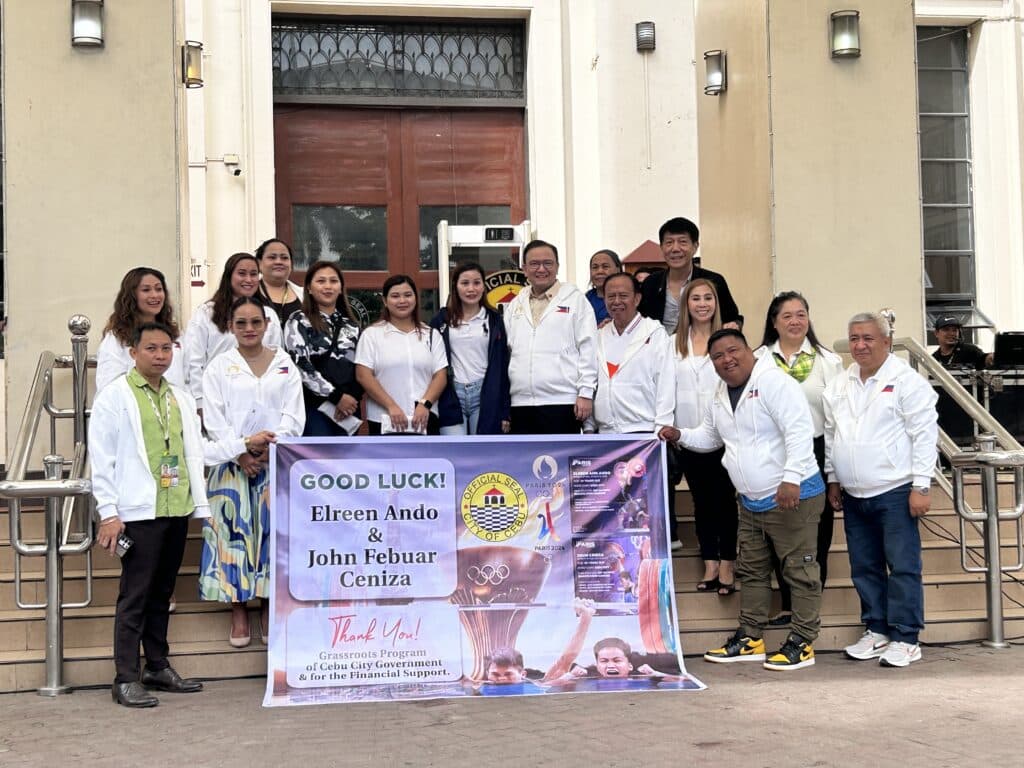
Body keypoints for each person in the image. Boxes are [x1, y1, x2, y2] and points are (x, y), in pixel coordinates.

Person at [678, 329, 825, 671]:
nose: (727, 360)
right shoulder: (720, 392)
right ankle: (750, 638)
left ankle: (802, 642)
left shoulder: (774, 382)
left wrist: (791, 479)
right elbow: (709, 437)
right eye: (717, 356)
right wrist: (679, 434)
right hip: (750, 500)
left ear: (749, 350)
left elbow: (799, 431)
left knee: (800, 572)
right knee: (753, 571)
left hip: (790, 495)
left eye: (733, 351)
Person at [89, 322, 208, 707]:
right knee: (135, 595)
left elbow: (195, 451)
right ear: (133, 353)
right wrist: (109, 513)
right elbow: (102, 459)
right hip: (138, 511)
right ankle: (125, 676)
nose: (160, 356)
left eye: (166, 349)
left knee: (162, 592)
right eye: (151, 349)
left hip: (175, 506)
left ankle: (156, 665)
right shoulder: (115, 396)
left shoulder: (180, 397)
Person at [824, 312, 938, 668]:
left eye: (868, 338)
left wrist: (922, 484)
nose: (860, 345)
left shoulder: (907, 381)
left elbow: (924, 435)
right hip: (855, 494)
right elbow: (832, 435)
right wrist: (833, 476)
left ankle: (906, 637)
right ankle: (877, 630)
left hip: (895, 490)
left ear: (887, 341)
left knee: (902, 567)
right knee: (864, 567)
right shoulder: (839, 385)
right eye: (854, 338)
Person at [199, 297, 304, 647]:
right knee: (233, 539)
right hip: (231, 467)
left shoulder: (285, 364)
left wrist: (269, 448)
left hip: (275, 463)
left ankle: (268, 605)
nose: (248, 329)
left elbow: (293, 415)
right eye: (241, 323)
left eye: (255, 322)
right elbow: (213, 420)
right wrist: (241, 449)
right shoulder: (218, 367)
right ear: (231, 326)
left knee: (272, 536)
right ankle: (239, 608)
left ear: (267, 324)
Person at [756, 291, 843, 627]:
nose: (795, 321)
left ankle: (811, 602)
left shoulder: (827, 361)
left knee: (815, 530)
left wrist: (833, 473)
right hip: (773, 454)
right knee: (780, 528)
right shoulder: (761, 359)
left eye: (801, 314)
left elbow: (836, 420)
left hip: (816, 450)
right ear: (774, 322)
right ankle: (789, 602)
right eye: (787, 315)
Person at [584, 272, 676, 546]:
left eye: (624, 295)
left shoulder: (655, 334)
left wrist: (661, 428)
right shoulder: (599, 335)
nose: (617, 301)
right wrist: (589, 428)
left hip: (644, 434)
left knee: (646, 508)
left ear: (637, 298)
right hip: (607, 434)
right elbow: (590, 379)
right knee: (614, 509)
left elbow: (666, 382)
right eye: (611, 296)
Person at [659, 279, 738, 590]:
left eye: (708, 298)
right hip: (688, 435)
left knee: (725, 502)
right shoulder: (672, 343)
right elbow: (666, 388)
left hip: (724, 436)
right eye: (696, 299)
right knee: (701, 502)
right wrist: (667, 427)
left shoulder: (728, 340)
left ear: (716, 303)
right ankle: (710, 563)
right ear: (685, 305)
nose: (702, 304)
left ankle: (729, 564)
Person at [505, 239, 598, 434]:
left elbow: (589, 348)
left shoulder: (575, 300)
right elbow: (508, 351)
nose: (541, 269)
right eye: (534, 264)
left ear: (557, 266)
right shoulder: (515, 304)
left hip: (562, 402)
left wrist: (586, 393)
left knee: (562, 464)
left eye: (548, 263)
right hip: (520, 403)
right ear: (524, 268)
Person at [184, 252, 282, 412]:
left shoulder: (269, 315)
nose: (249, 280)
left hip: (260, 401)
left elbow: (277, 359)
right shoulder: (207, 313)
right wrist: (199, 402)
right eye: (242, 274)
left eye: (253, 274)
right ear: (229, 276)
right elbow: (194, 362)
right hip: (217, 399)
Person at [355, 274, 447, 435]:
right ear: (385, 301)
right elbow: (363, 376)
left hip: (424, 418)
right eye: (395, 296)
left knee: (426, 461)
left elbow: (440, 375)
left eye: (407, 295)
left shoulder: (431, 335)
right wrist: (391, 405)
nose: (402, 301)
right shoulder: (372, 334)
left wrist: (425, 404)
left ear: (416, 298)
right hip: (384, 419)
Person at [283, 261, 363, 437]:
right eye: (321, 281)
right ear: (309, 288)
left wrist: (351, 399)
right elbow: (301, 364)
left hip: (349, 410)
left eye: (333, 281)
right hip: (315, 408)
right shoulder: (298, 321)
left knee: (347, 462)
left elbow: (362, 366)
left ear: (341, 288)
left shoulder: (352, 325)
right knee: (319, 462)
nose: (328, 286)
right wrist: (336, 397)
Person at [429, 262, 511, 435]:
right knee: (454, 453)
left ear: (483, 286)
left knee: (482, 455)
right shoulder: (441, 320)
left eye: (476, 282)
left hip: (485, 394)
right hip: (451, 395)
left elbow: (503, 366)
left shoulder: (495, 320)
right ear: (456, 287)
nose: (471, 289)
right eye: (465, 283)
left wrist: (505, 410)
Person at [639, 217, 743, 333]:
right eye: (669, 242)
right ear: (662, 247)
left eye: (682, 242)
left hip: (701, 348)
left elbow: (733, 318)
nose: (675, 249)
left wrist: (734, 325)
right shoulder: (651, 283)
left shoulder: (714, 281)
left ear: (695, 247)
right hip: (659, 350)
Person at [96, 267, 185, 391]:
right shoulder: (117, 338)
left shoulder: (175, 334)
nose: (154, 295)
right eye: (146, 290)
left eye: (159, 289)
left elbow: (187, 375)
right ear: (132, 296)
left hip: (175, 405)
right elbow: (109, 386)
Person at [256, 237, 304, 325]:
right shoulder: (249, 294)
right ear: (259, 263)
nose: (278, 262)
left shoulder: (304, 295)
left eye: (284, 258)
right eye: (272, 257)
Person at [585, 249, 623, 327]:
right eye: (595, 267)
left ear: (618, 270)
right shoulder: (585, 299)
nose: (599, 271)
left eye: (605, 267)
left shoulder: (627, 298)